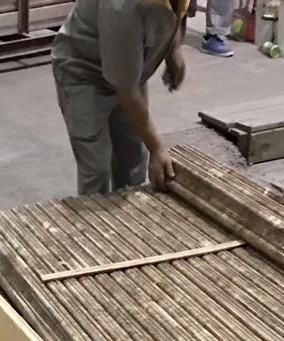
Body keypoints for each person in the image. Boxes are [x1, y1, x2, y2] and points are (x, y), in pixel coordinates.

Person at [52, 0, 188, 196]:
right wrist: (157, 148)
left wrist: (174, 49)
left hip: (129, 69)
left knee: (133, 161)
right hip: (84, 74)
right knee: (97, 170)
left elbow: (179, 9)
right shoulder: (122, 7)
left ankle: (131, 211)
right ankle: (95, 214)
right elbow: (126, 91)